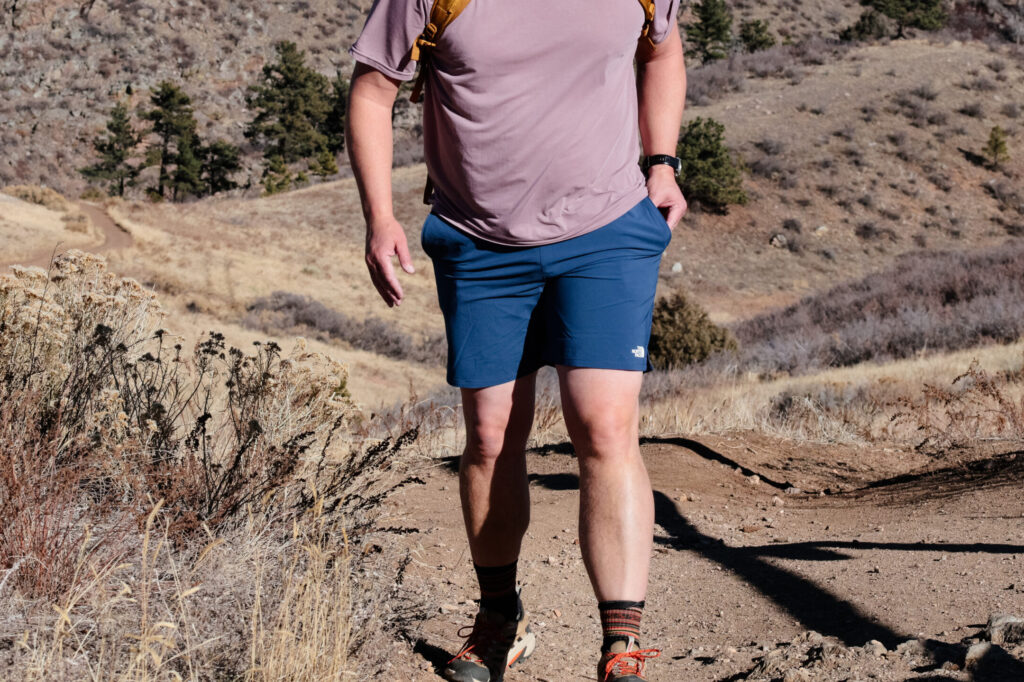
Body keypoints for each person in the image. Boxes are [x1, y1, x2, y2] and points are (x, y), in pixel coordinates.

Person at [346, 2, 686, 680]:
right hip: (480, 244)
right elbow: (372, 87)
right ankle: (501, 620)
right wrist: (379, 216)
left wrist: (663, 160)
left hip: (608, 228)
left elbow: (662, 50)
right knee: (493, 435)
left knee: (606, 425)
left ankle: (623, 644)